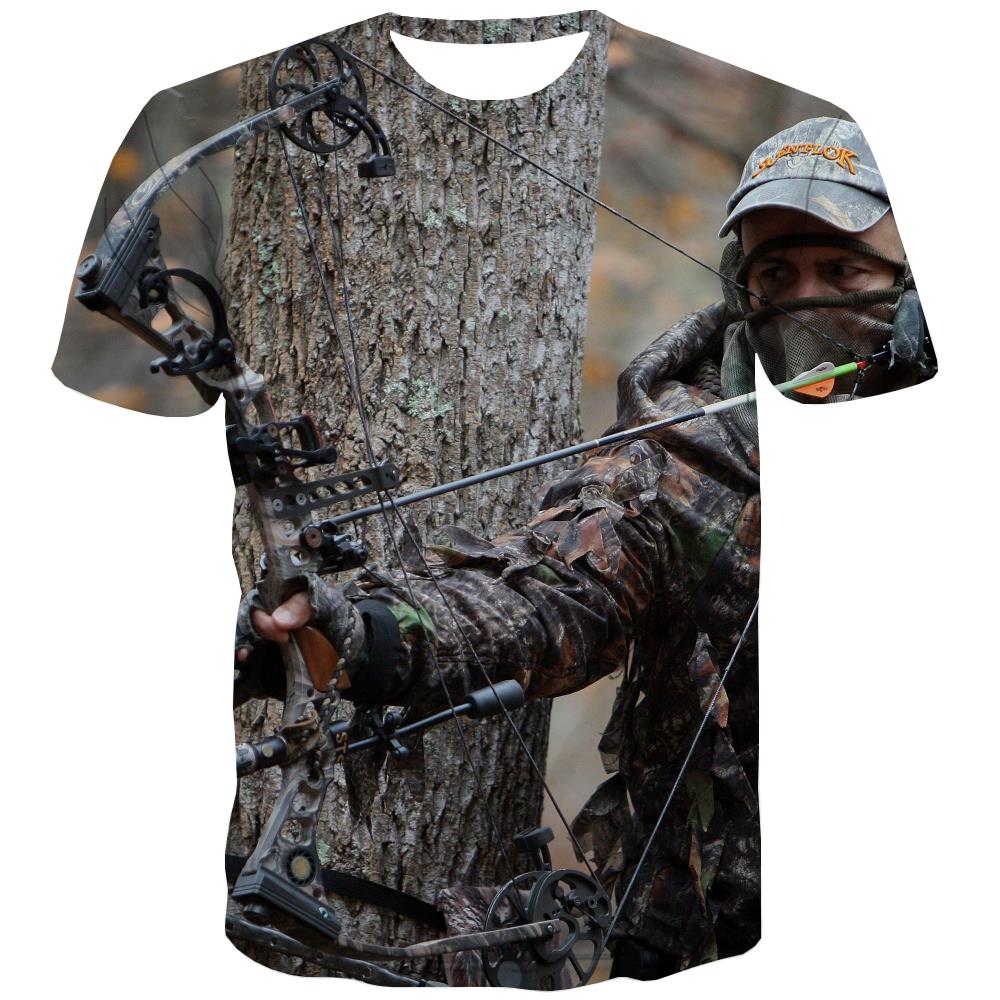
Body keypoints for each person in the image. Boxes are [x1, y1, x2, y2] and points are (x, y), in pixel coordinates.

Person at [234, 117, 936, 979]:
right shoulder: (681, 452)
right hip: (723, 941)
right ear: (739, 283)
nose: (805, 299)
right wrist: (364, 630)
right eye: (775, 274)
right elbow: (550, 589)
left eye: (844, 271)